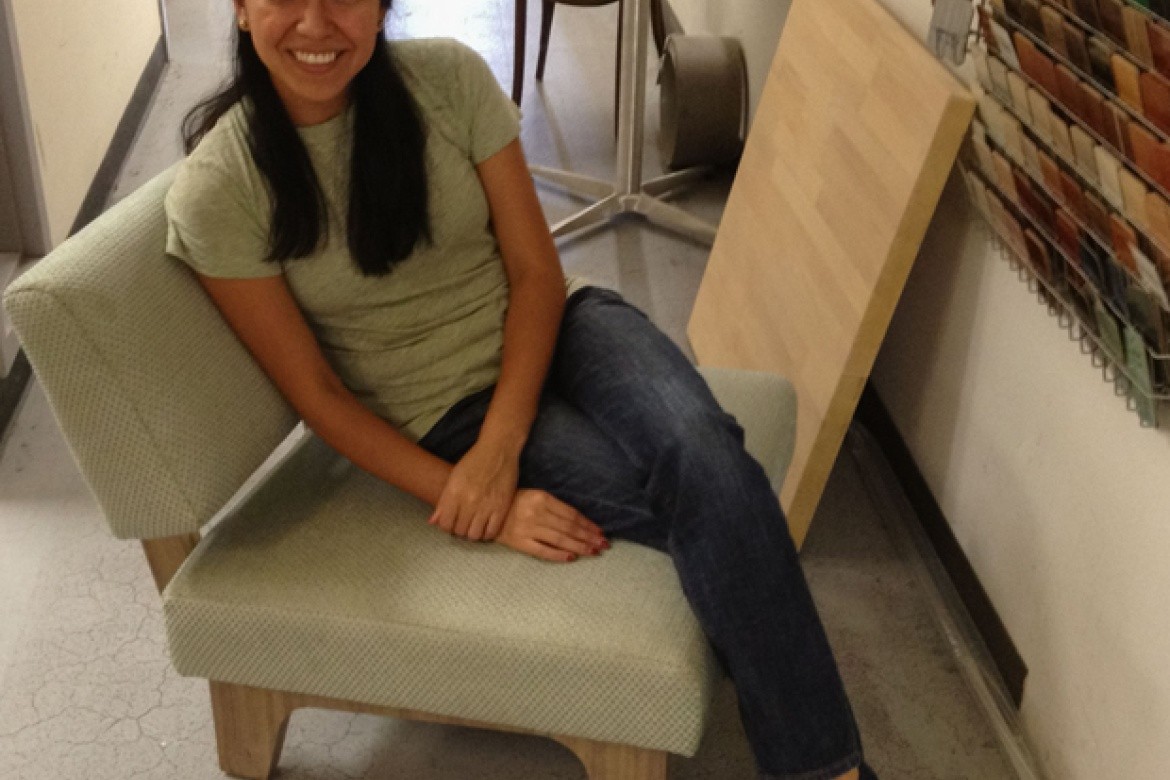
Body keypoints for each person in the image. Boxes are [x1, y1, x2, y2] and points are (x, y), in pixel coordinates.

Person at [164, 1, 876, 778]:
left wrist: (501, 449)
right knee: (708, 504)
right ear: (238, 8)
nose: (315, 23)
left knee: (705, 455)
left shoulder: (448, 80)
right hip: (444, 408)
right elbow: (320, 395)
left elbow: (536, 271)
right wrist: (475, 501)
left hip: (566, 326)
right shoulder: (220, 189)